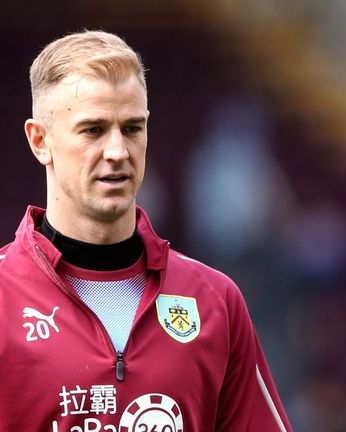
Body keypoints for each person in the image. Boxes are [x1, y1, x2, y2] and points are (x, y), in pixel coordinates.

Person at [0, 30, 292, 431]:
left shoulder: (214, 300)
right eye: (93, 130)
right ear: (40, 141)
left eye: (133, 128)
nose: (118, 151)